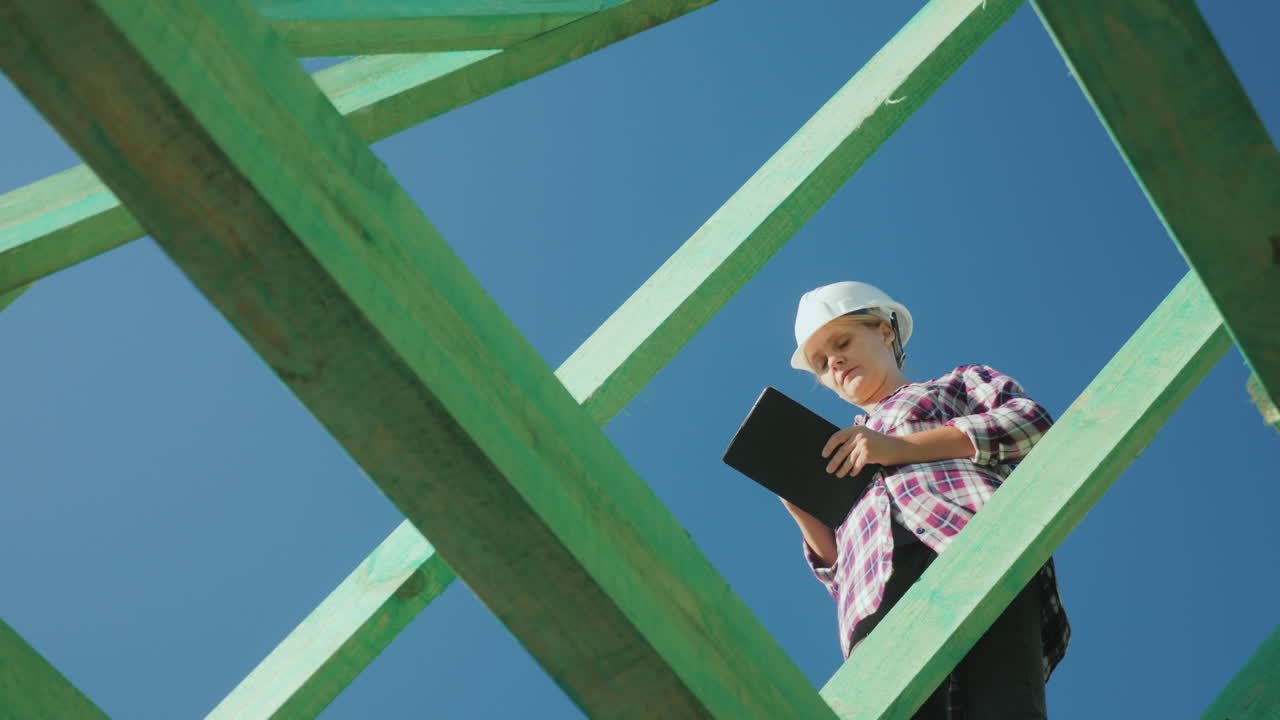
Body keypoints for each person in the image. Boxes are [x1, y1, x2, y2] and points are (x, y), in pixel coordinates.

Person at [782, 281, 1069, 720]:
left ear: (884, 332)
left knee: (1003, 703)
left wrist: (900, 448)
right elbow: (838, 571)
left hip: (971, 546)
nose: (834, 362)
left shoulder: (954, 385)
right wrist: (801, 504)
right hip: (874, 596)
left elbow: (1029, 422)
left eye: (842, 342)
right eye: (821, 363)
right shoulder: (840, 453)